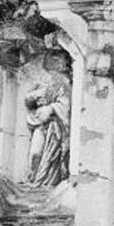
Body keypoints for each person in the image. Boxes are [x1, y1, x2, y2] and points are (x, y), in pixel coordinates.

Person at [25, 56, 71, 188]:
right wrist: (32, 96)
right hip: (40, 123)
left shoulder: (63, 85)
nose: (52, 73)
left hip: (55, 125)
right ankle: (34, 178)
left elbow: (65, 106)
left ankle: (47, 182)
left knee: (52, 155)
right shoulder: (40, 84)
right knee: (35, 153)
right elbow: (28, 102)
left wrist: (51, 108)